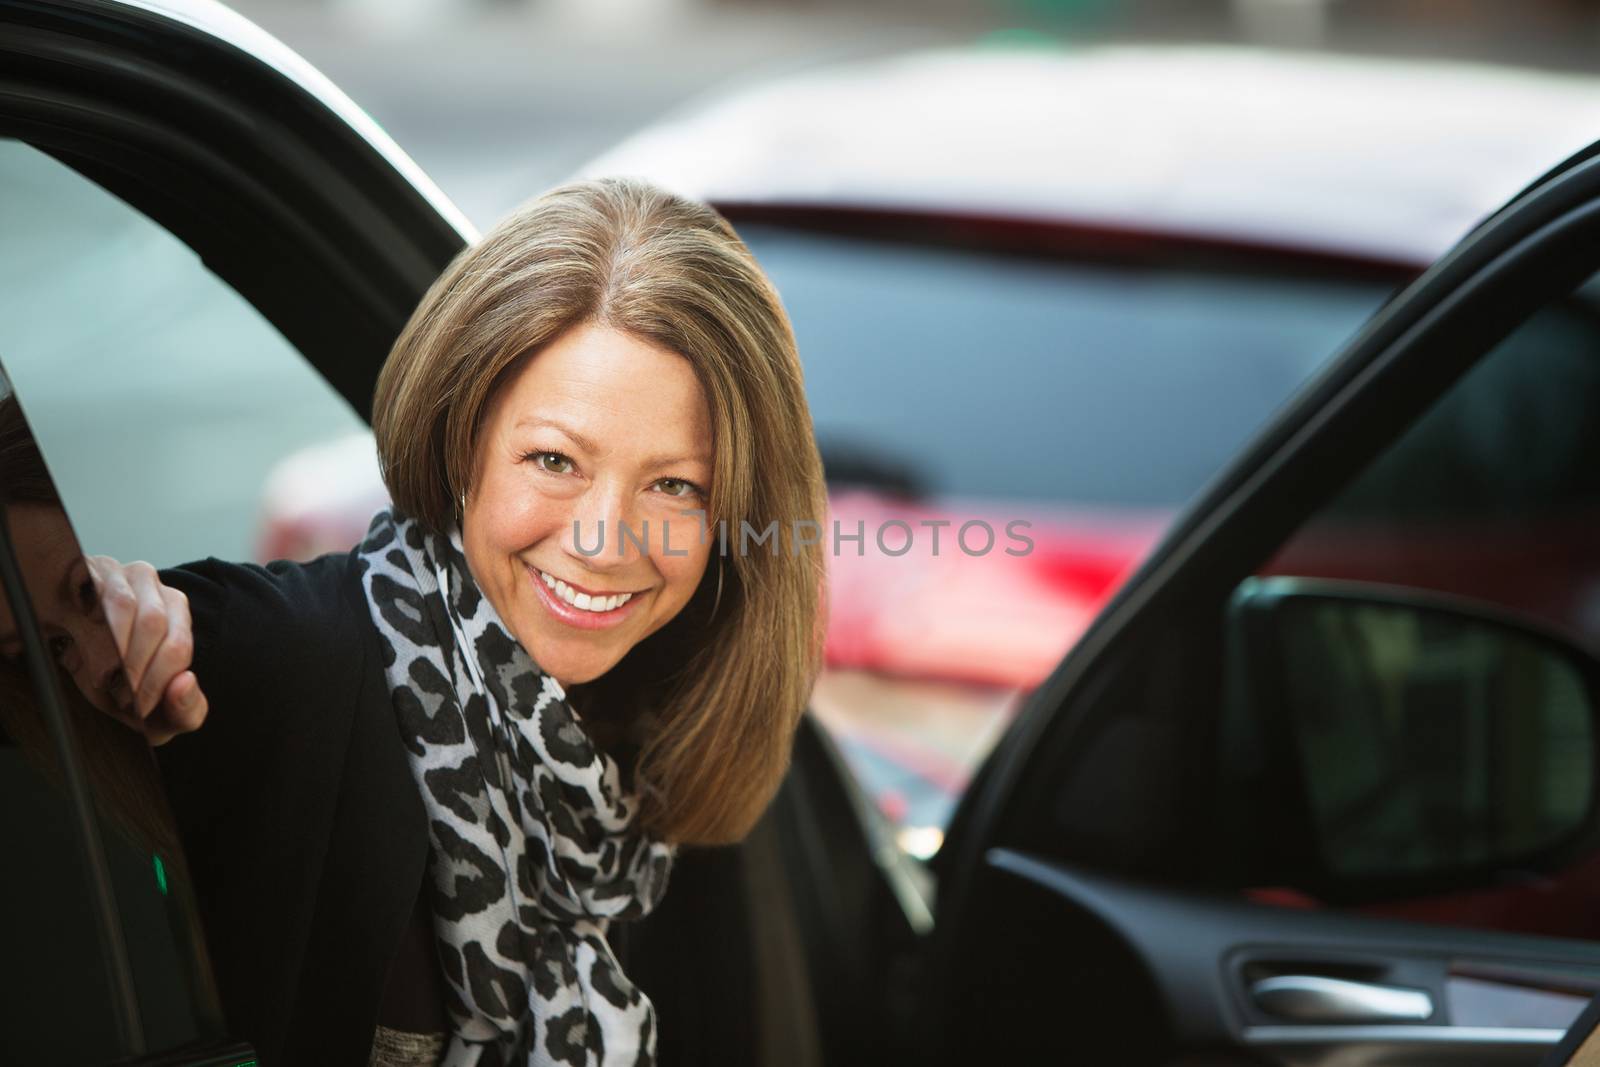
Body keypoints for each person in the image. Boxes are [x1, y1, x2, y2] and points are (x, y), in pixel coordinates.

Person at [78, 178, 829, 1066]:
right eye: (554, 459)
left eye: (675, 486)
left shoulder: (669, 726)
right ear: (460, 439)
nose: (603, 539)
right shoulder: (275, 657)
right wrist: (89, 609)